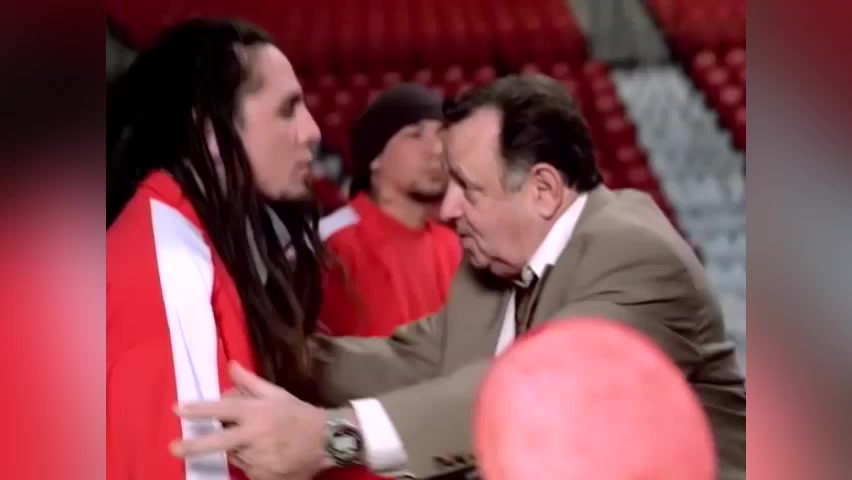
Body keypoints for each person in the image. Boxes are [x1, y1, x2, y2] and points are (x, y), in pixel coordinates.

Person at [172, 75, 747, 480]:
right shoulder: (494, 263)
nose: (447, 209)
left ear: (543, 190)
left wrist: (330, 437)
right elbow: (411, 360)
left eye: (468, 188)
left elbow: (535, 394)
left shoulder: (637, 256)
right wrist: (262, 350)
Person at [106, 18, 325, 480]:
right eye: (287, 109)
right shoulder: (170, 265)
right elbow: (187, 465)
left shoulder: (187, 234)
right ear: (206, 125)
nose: (312, 131)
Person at [318, 84, 461, 343]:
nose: (437, 149)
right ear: (375, 157)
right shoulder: (331, 243)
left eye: (442, 134)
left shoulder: (453, 246)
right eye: (415, 135)